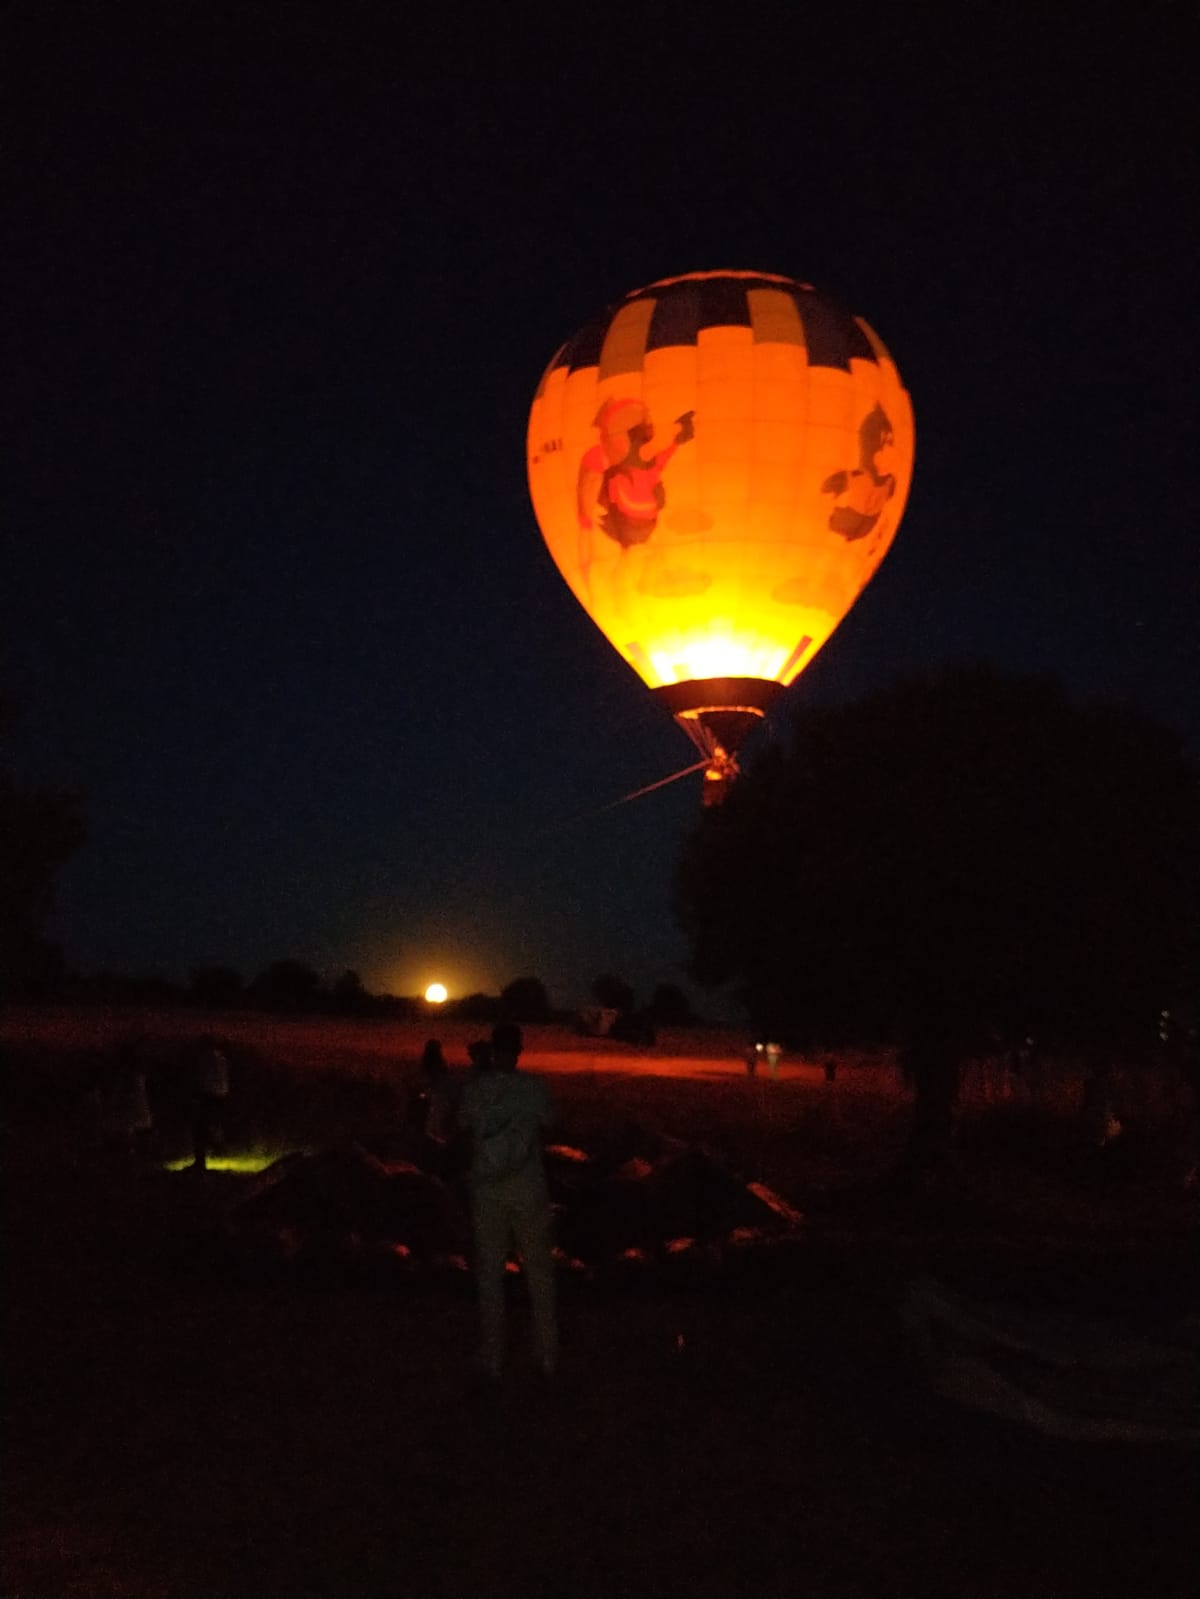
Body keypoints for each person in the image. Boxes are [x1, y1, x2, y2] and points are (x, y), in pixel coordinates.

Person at [457, 1021, 557, 1381]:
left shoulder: (476, 1089)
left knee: (490, 1275)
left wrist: (478, 1076)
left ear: (491, 1050)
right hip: (528, 1190)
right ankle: (546, 1355)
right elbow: (551, 1123)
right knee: (539, 1273)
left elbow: (462, 1126)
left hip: (488, 1192)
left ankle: (493, 1357)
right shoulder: (535, 1088)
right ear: (519, 1051)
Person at [191, 1033, 231, 1171]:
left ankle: (200, 1161)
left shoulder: (205, 1058)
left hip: (208, 1095)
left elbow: (203, 1078)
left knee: (200, 1128)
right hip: (220, 1096)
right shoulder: (221, 1058)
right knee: (213, 1125)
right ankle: (218, 1149)